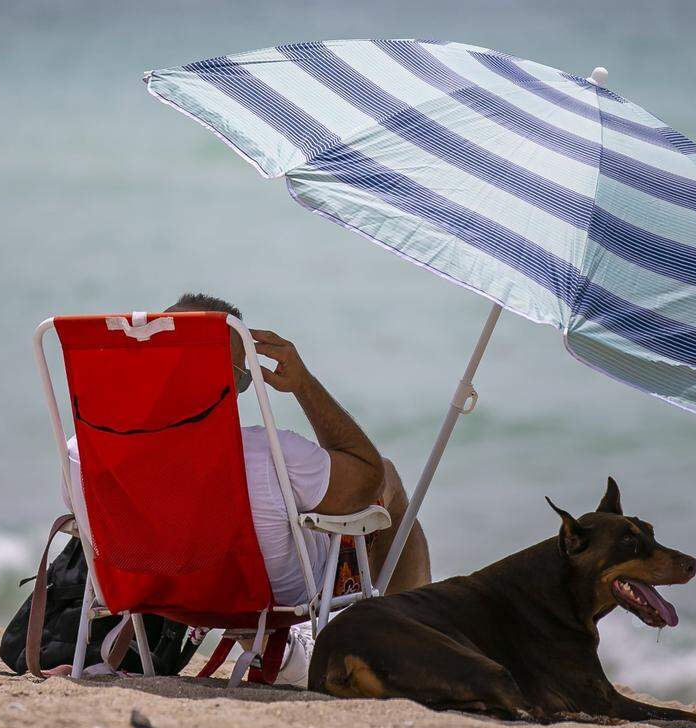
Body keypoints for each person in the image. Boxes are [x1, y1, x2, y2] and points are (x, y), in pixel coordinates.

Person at [66, 292, 431, 686]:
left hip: (157, 591)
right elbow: (368, 479)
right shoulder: (271, 455)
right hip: (270, 597)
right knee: (387, 480)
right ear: (233, 382)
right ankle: (411, 645)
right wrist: (305, 385)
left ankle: (291, 650)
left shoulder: (82, 454)